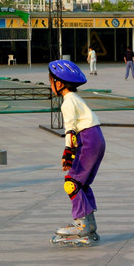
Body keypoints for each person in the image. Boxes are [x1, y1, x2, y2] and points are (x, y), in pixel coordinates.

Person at [48, 59, 106, 241]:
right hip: (96, 138)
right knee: (80, 183)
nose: (50, 85)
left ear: (59, 83)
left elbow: (70, 129)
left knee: (71, 183)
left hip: (88, 140)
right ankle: (89, 223)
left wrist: (67, 153)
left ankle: (82, 225)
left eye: (50, 81)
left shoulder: (67, 102)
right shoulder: (76, 98)